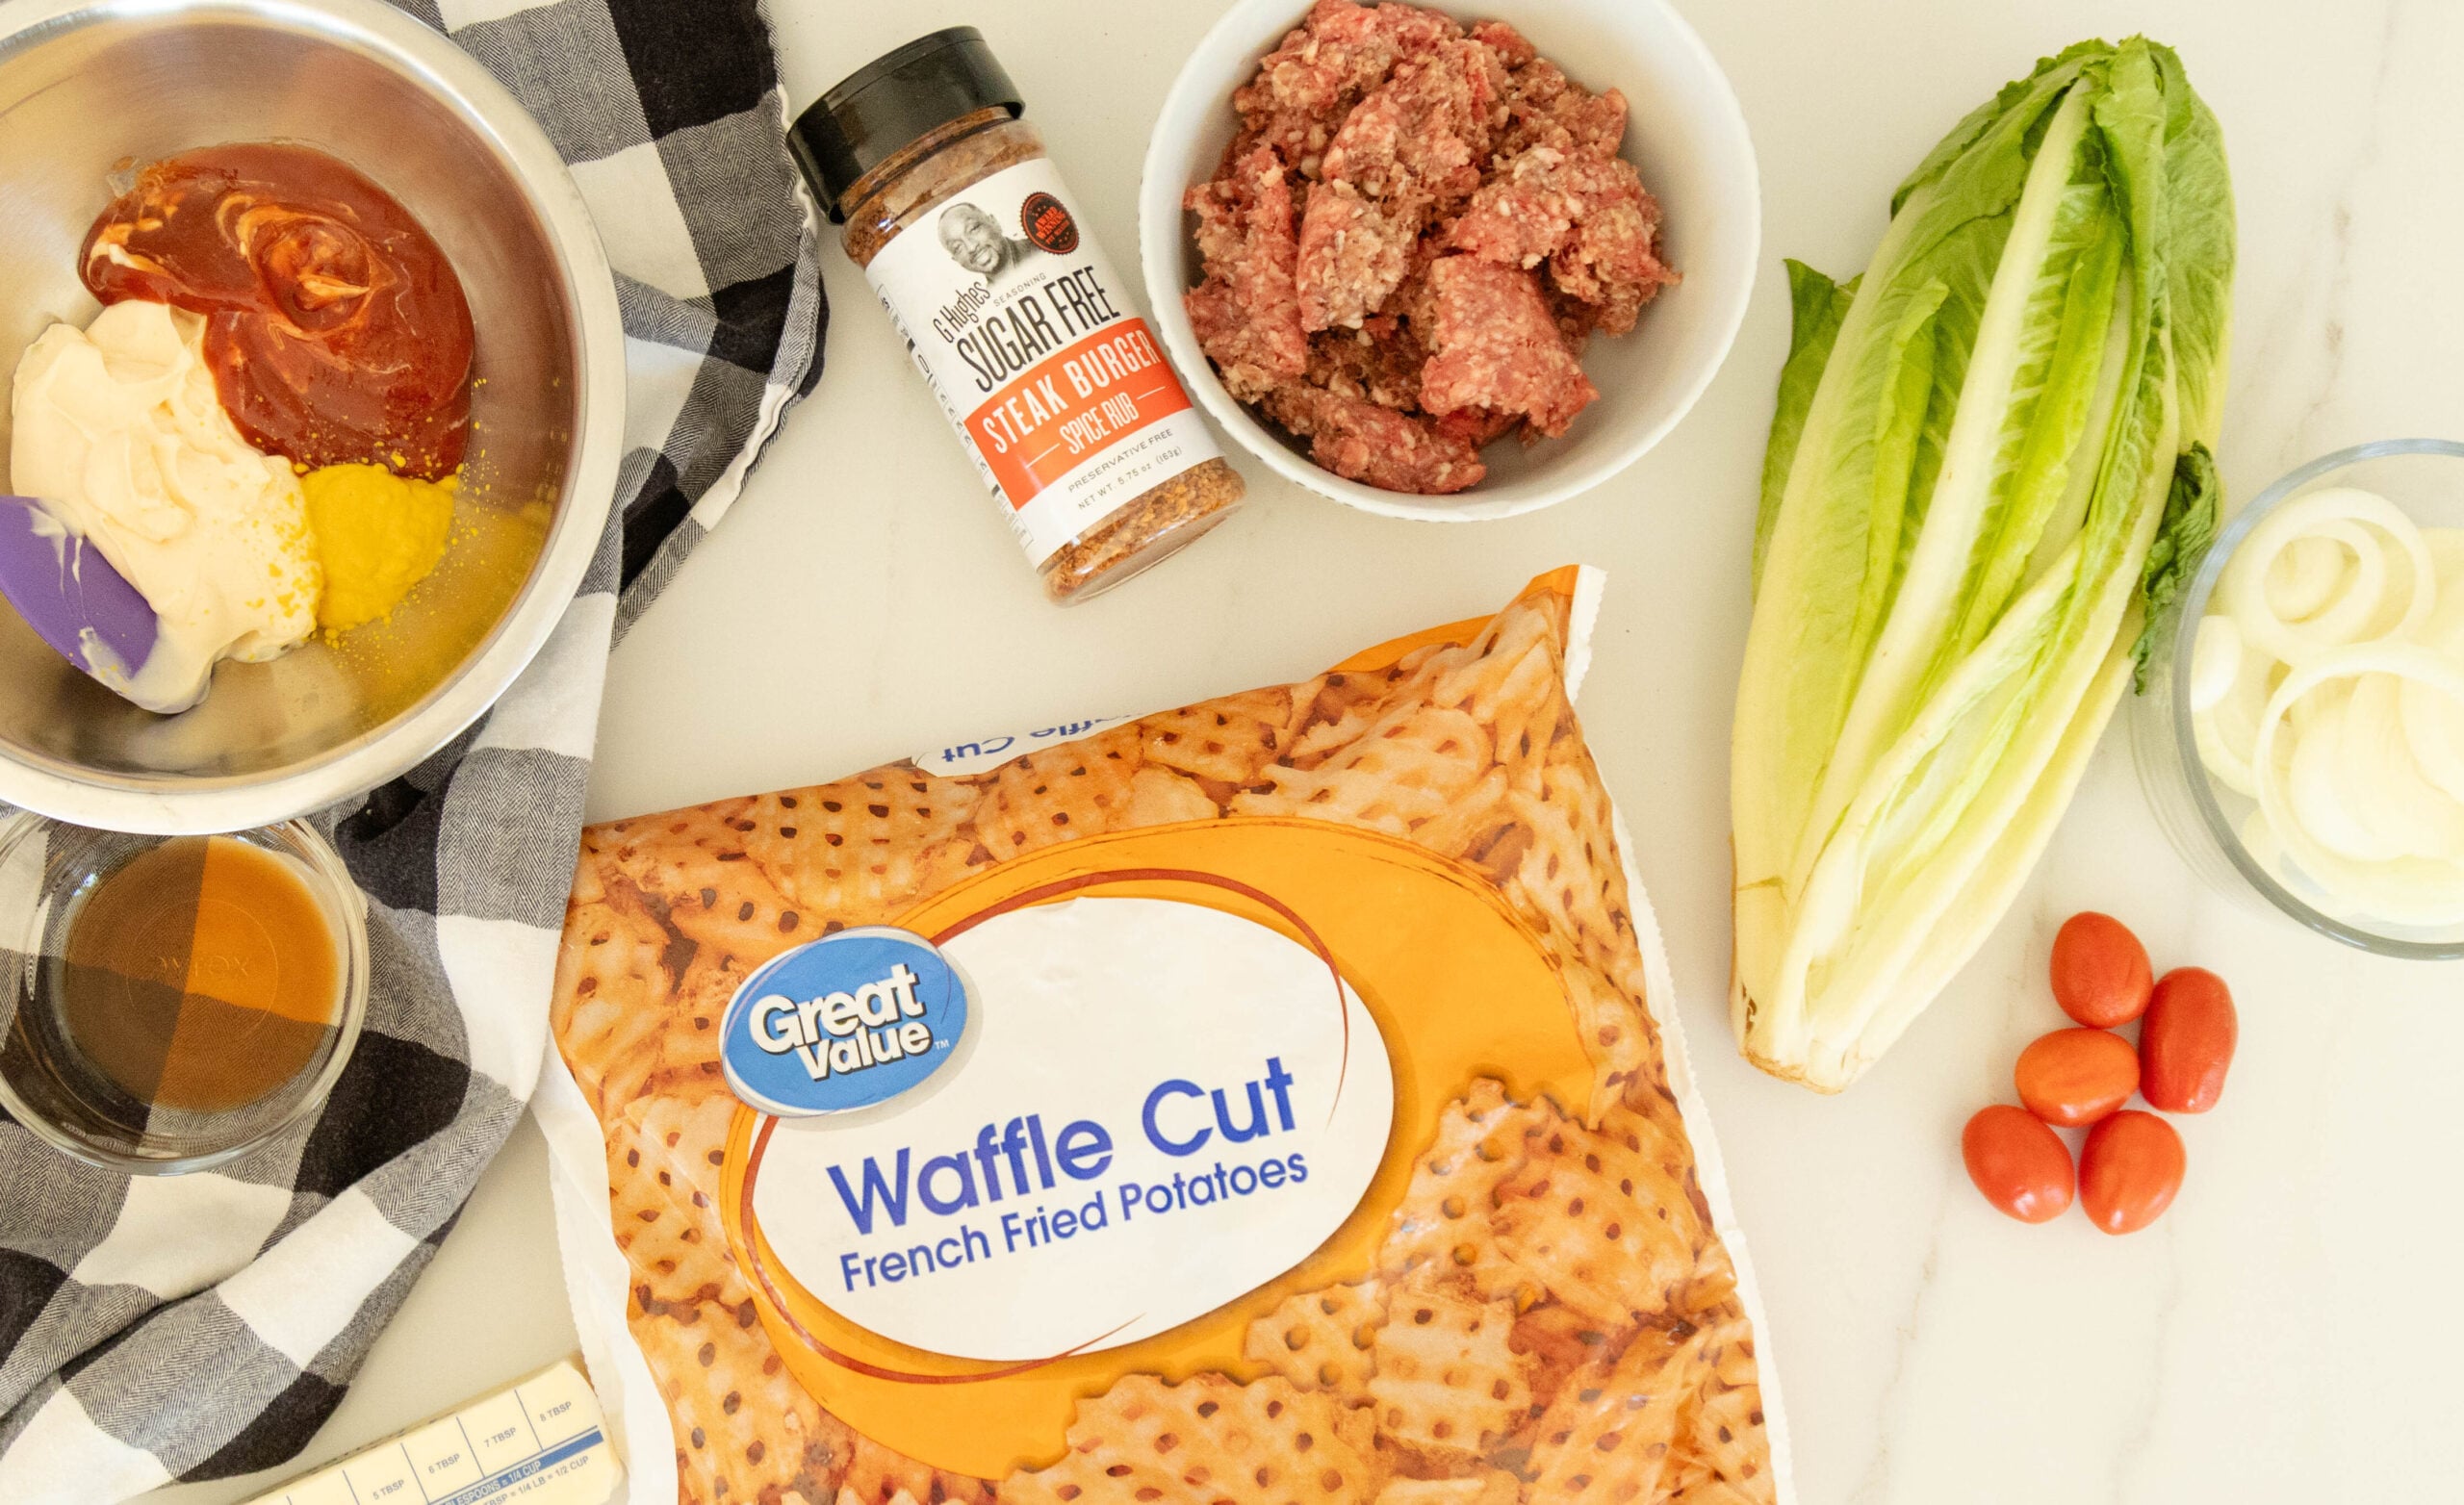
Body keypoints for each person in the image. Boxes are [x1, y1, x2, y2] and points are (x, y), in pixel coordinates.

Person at [937, 200, 1037, 284]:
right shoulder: (991, 300)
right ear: (956, 260)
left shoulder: (1042, 249)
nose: (971, 247)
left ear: (994, 222)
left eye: (973, 229)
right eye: (957, 247)